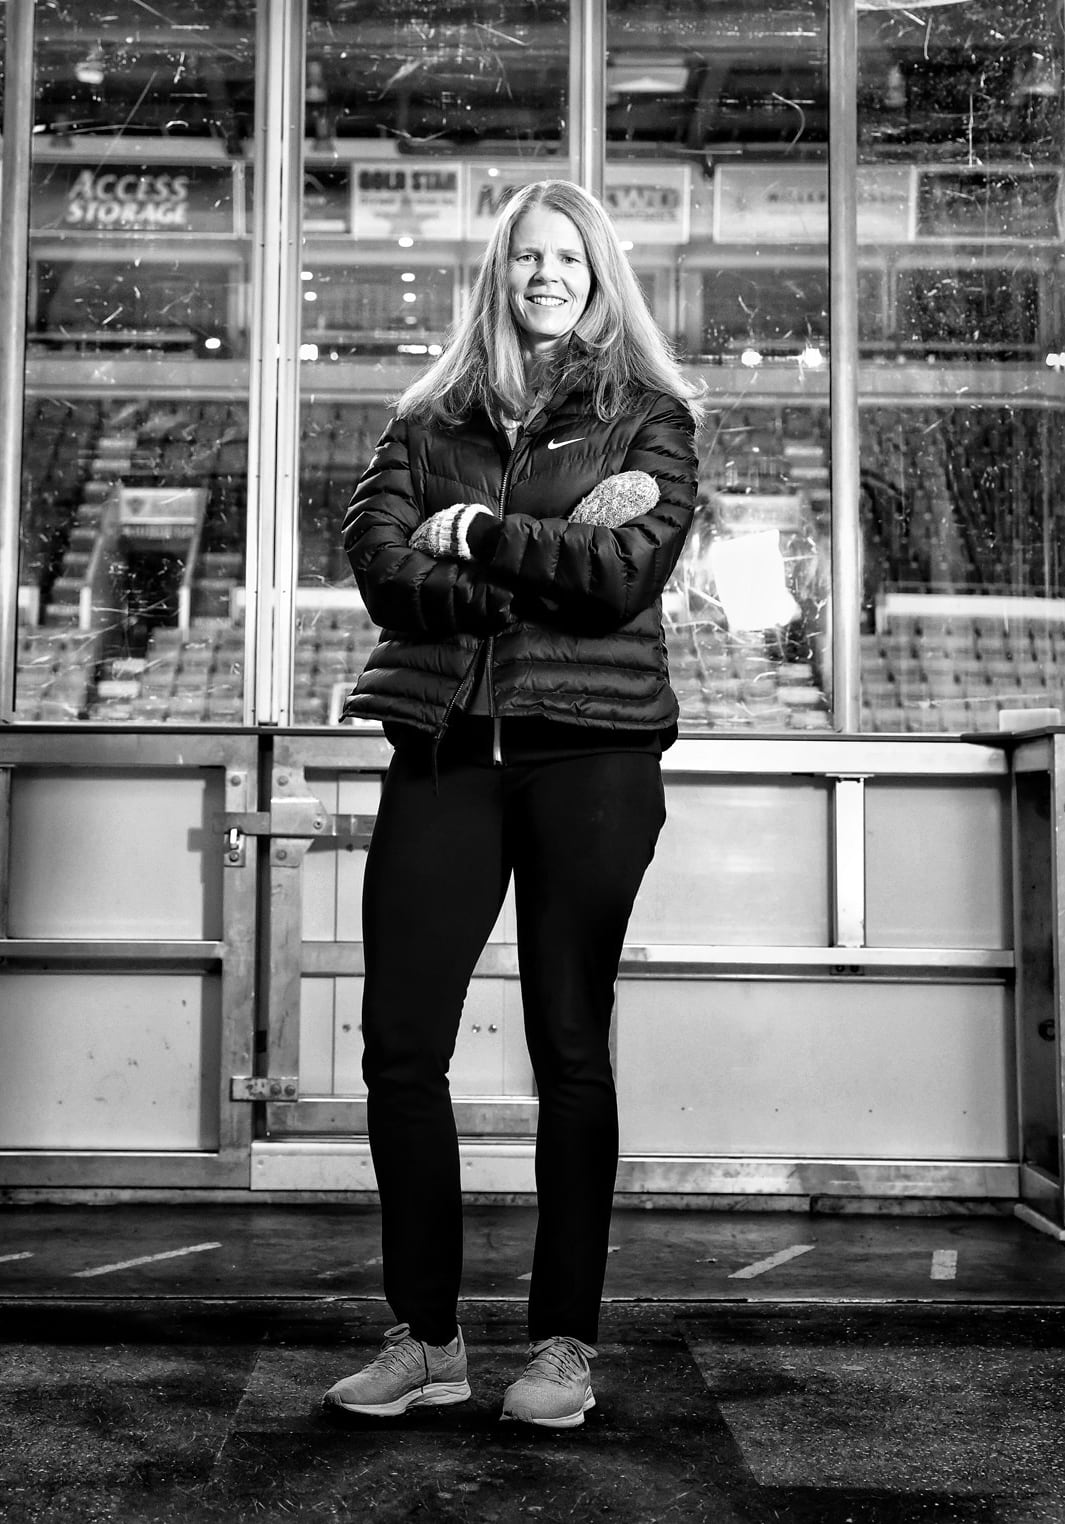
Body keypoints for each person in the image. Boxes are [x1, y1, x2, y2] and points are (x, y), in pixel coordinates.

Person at [322, 178, 702, 1429]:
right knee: (399, 1051)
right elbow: (377, 565)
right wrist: (510, 577)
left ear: (598, 276)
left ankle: (561, 1347)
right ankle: (426, 1339)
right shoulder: (428, 414)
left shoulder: (648, 416)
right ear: (500, 273)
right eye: (528, 257)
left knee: (570, 1050)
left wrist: (476, 533)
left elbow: (620, 579)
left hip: (589, 756)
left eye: (569, 258)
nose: (548, 275)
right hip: (445, 752)